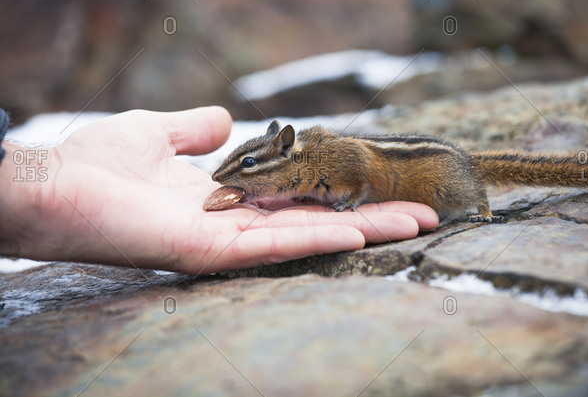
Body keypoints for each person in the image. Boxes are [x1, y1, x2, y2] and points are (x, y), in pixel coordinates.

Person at [0, 106, 438, 274]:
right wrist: (48, 181)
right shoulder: (288, 172)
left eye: (246, 169)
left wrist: (49, 181)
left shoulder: (319, 163)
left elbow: (354, 173)